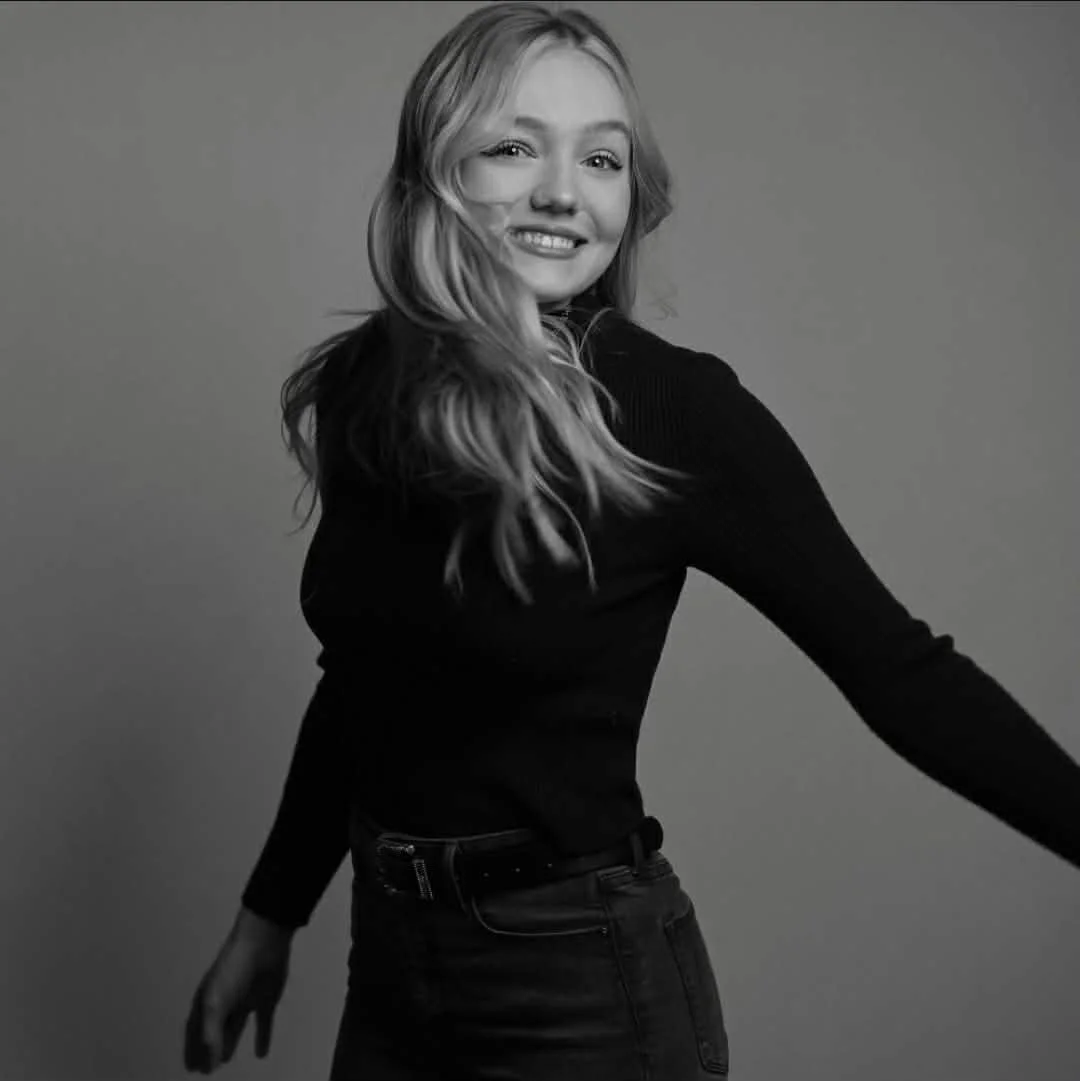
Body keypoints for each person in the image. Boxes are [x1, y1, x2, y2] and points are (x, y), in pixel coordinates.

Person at [182, 3, 1080, 1079]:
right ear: (436, 170)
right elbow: (365, 686)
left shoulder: (674, 411)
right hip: (391, 958)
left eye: (602, 158)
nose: (565, 190)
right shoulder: (362, 387)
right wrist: (267, 918)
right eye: (515, 146)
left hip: (578, 978)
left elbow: (899, 668)